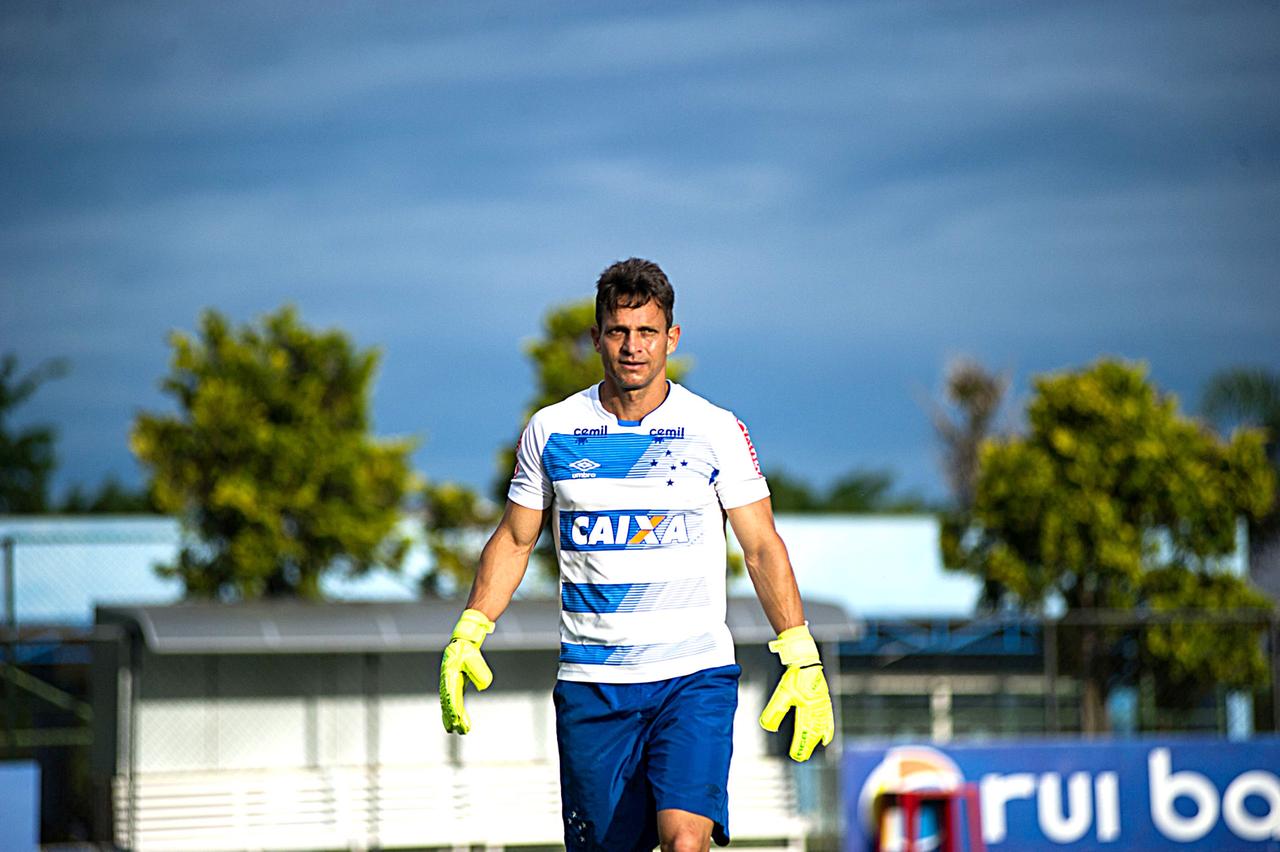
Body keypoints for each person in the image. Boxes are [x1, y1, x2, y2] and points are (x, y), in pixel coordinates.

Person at [439, 258, 834, 852]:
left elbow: (760, 545)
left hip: (692, 678)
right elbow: (516, 539)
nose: (632, 347)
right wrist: (471, 628)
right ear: (597, 337)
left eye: (647, 332)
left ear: (671, 338)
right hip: (593, 686)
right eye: (619, 332)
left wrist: (800, 652)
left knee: (684, 842)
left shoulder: (715, 429)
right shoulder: (551, 430)